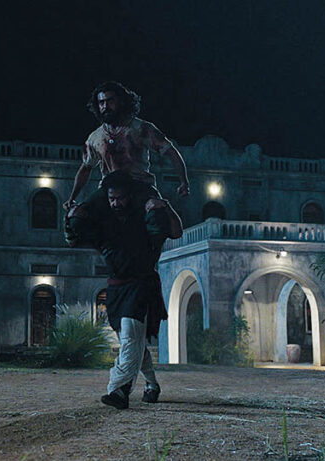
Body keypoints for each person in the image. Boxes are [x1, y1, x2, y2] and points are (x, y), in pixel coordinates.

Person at [65, 170, 183, 410]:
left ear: (130, 196)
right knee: (133, 342)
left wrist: (166, 207)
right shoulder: (104, 223)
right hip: (116, 289)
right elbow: (73, 239)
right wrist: (71, 219)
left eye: (120, 198)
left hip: (140, 286)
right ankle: (152, 384)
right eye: (111, 199)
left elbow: (176, 231)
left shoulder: (148, 217)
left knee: (130, 339)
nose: (115, 203)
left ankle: (118, 390)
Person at [63, 81, 191, 218]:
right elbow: (85, 168)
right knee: (76, 217)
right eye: (101, 103)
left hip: (139, 185)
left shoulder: (141, 128)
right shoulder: (95, 138)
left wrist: (184, 182)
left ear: (121, 101)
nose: (105, 106)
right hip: (109, 189)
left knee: (156, 213)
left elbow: (171, 152)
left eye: (110, 101)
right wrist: (72, 198)